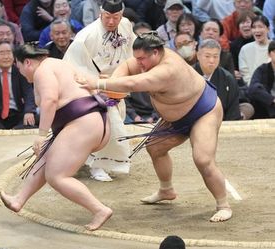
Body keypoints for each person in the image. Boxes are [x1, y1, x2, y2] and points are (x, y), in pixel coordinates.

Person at [77, 31, 232, 222]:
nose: (138, 63)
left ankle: (223, 205)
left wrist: (98, 83)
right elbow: (126, 66)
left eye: (142, 59)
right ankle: (166, 190)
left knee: (202, 159)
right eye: (138, 58)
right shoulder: (146, 59)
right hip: (176, 117)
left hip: (203, 111)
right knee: (155, 148)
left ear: (156, 53)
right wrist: (112, 91)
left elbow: (134, 83)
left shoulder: (167, 70)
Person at [0, 44, 113, 231]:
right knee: (46, 157)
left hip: (82, 122)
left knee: (57, 176)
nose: (20, 73)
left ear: (27, 62)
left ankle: (100, 209)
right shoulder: (59, 64)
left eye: (18, 67)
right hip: (92, 121)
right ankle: (18, 200)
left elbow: (50, 100)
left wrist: (41, 135)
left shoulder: (42, 71)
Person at [63, 0, 135, 182]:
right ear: (100, 14)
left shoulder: (126, 25)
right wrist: (94, 85)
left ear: (122, 15)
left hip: (116, 83)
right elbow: (73, 65)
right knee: (109, 127)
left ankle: (91, 161)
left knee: (113, 124)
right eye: (107, 17)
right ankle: (98, 166)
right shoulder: (87, 36)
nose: (111, 22)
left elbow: (131, 52)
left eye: (115, 17)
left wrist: (125, 78)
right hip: (93, 88)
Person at [0, 41, 36, 129]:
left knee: (33, 119)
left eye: (9, 53)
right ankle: (7, 132)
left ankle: (12, 131)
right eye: (1, 53)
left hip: (16, 113)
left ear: (14, 57)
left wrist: (29, 111)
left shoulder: (20, 71)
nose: (6, 57)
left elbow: (29, 94)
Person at [194, 38, 254, 120]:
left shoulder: (228, 78)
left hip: (222, 121)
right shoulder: (189, 75)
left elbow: (233, 108)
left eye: (215, 56)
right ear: (198, 56)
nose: (212, 60)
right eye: (207, 56)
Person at [238, 15, 270, 85]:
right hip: (253, 90)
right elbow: (245, 75)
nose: (257, 30)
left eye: (260, 27)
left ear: (268, 29)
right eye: (254, 27)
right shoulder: (245, 49)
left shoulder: (273, 47)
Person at [248, 41, 275, 118]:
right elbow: (253, 88)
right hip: (267, 107)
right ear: (269, 54)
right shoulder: (262, 69)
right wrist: (272, 99)